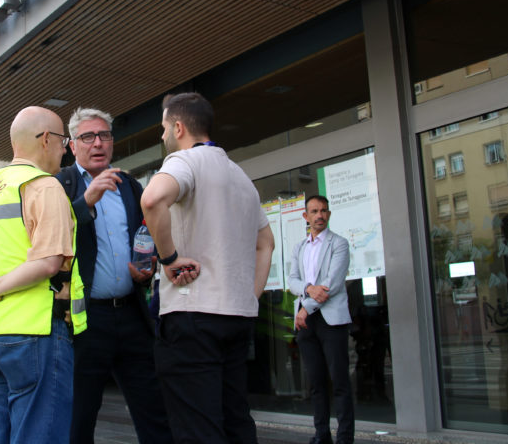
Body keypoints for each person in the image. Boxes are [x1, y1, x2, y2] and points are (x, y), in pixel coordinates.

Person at [141, 92, 275, 444]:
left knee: (197, 429)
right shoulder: (240, 176)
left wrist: (169, 259)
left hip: (191, 315)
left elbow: (152, 199)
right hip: (236, 316)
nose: (162, 136)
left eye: (164, 128)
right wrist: (250, 296)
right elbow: (266, 243)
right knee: (235, 422)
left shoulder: (184, 161)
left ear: (179, 127)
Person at [0, 106, 87, 444]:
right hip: (33, 332)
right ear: (45, 140)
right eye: (63, 140)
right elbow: (48, 262)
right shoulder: (44, 186)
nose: (65, 148)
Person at [56, 107, 171, 444]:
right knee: (81, 415)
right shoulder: (61, 184)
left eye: (104, 135)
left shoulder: (129, 185)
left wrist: (145, 271)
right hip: (85, 320)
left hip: (132, 314)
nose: (98, 143)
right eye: (88, 137)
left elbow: (142, 238)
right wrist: (85, 201)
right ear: (72, 145)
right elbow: (51, 241)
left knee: (153, 410)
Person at [288, 195, 354, 444]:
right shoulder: (299, 247)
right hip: (307, 324)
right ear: (306, 216)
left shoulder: (339, 244)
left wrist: (305, 306)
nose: (320, 215)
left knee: (339, 383)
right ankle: (321, 435)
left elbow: (333, 284)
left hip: (330, 321)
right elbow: (293, 280)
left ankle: (345, 438)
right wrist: (307, 288)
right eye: (314, 211)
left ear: (329, 214)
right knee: (316, 383)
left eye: (324, 211)